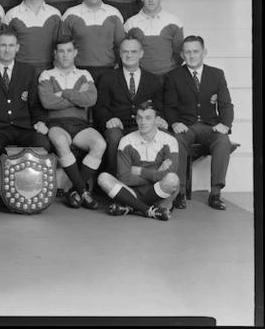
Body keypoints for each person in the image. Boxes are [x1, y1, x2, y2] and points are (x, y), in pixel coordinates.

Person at [0, 29, 51, 191]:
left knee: (42, 142)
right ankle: (1, 188)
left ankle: (29, 188)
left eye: (11, 45)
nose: (7, 50)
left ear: (17, 47)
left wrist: (41, 122)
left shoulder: (28, 71)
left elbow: (35, 105)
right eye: (3, 45)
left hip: (24, 127)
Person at [163, 35, 234, 211]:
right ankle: (178, 193)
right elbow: (169, 106)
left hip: (210, 126)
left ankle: (215, 193)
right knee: (177, 140)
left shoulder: (217, 74)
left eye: (196, 51)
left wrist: (225, 124)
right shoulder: (173, 76)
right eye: (187, 52)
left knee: (223, 141)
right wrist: (174, 123)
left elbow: (225, 104)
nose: (192, 55)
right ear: (182, 54)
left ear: (204, 52)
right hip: (186, 126)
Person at [38, 36, 104, 210]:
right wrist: (76, 95)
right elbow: (47, 102)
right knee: (60, 142)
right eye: (61, 51)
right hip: (56, 124)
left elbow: (91, 99)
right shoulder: (47, 75)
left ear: (75, 52)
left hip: (80, 125)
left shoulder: (84, 74)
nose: (65, 55)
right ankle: (83, 191)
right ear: (55, 53)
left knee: (100, 144)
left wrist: (63, 93)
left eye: (69, 51)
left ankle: (75, 191)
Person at [94, 34, 168, 181]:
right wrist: (109, 119)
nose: (129, 55)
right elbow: (100, 107)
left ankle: (147, 183)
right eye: (125, 51)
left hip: (142, 125)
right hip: (118, 125)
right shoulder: (107, 78)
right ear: (120, 54)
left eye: (133, 51)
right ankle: (113, 183)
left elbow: (159, 107)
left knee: (156, 135)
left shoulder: (153, 80)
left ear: (141, 54)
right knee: (114, 137)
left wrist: (158, 118)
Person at [97, 101, 179, 221]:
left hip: (158, 193)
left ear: (157, 120)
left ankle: (131, 207)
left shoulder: (170, 141)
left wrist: (140, 171)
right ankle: (148, 211)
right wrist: (157, 172)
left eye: (148, 118)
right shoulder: (126, 141)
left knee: (173, 179)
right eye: (140, 118)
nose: (143, 122)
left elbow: (169, 174)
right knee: (103, 178)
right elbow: (124, 178)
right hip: (132, 192)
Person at [60, 0, 125, 85]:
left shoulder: (114, 14)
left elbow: (121, 46)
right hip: (77, 71)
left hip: (108, 70)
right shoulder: (70, 14)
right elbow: (62, 47)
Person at [3, 0, 62, 77]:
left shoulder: (55, 14)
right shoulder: (11, 15)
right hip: (20, 70)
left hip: (49, 70)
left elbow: (59, 45)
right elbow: (6, 47)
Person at [124, 0, 184, 81]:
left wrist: (170, 69)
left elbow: (179, 53)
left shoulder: (174, 22)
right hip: (140, 78)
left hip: (168, 77)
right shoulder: (130, 23)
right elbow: (125, 52)